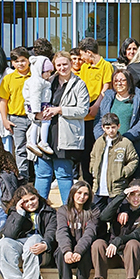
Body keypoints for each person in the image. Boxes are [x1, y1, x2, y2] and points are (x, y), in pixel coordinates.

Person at [35, 51, 91, 204]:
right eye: (58, 65)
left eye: (65, 64)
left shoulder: (79, 84)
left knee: (64, 175)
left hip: (65, 136)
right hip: (45, 135)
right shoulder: (48, 82)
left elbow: (83, 110)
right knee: (42, 174)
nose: (62, 67)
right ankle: (38, 213)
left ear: (71, 64)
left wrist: (59, 110)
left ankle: (69, 212)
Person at [92, 180, 140, 279]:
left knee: (133, 243)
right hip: (112, 254)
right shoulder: (120, 206)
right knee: (98, 244)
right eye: (132, 194)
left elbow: (139, 234)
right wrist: (121, 195)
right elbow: (104, 217)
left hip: (131, 256)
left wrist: (118, 241)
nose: (136, 198)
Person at [0, 185, 57, 279]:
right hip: (21, 246)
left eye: (33, 199)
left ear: (38, 197)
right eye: (26, 201)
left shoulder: (49, 212)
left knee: (34, 239)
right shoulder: (15, 212)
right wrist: (19, 213)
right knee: (3, 243)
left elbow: (51, 232)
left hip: (42, 249)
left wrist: (45, 244)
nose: (30, 203)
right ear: (20, 203)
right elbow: (9, 234)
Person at [77, 37, 114, 185]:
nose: (81, 58)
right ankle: (87, 181)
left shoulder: (106, 66)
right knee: (85, 151)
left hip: (98, 109)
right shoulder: (85, 67)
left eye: (82, 55)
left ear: (89, 52)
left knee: (98, 147)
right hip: (85, 110)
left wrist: (96, 106)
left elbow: (106, 88)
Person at [55, 181, 99, 279]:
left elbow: (90, 233)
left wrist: (78, 251)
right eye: (79, 193)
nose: (82, 197)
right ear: (73, 193)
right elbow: (61, 232)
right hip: (69, 245)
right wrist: (67, 250)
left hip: (84, 246)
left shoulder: (93, 210)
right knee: (60, 252)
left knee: (87, 251)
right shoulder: (63, 210)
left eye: (85, 194)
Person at [0, 47, 33, 179]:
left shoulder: (35, 76)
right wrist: (5, 120)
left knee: (36, 148)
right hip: (17, 118)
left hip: (34, 118)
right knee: (20, 149)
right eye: (17, 61)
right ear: (12, 63)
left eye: (23, 60)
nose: (21, 64)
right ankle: (23, 176)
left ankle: (37, 175)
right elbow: (3, 101)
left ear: (28, 61)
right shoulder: (9, 79)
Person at [90, 113, 140, 204]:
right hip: (98, 187)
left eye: (113, 127)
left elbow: (134, 159)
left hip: (116, 188)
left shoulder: (125, 143)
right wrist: (93, 169)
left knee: (113, 214)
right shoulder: (99, 142)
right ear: (103, 128)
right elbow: (93, 156)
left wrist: (123, 172)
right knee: (96, 214)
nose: (111, 130)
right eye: (108, 128)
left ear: (118, 126)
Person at [99, 69, 140, 152]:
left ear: (129, 81)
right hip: (110, 146)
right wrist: (102, 139)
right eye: (116, 81)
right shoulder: (107, 98)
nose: (119, 83)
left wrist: (125, 138)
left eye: (123, 80)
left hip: (133, 146)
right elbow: (99, 120)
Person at [24, 37, 56, 157]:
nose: (49, 75)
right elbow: (35, 96)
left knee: (36, 124)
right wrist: (37, 110)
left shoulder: (42, 80)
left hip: (40, 105)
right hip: (38, 106)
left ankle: (34, 142)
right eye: (47, 72)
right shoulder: (37, 81)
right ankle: (42, 141)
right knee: (44, 122)